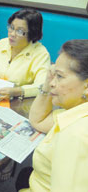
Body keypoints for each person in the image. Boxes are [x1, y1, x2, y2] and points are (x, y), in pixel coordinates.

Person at [16, 39, 88, 192]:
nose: (53, 82)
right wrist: (48, 82)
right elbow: (38, 120)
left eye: (60, 76)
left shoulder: (76, 135)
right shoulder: (76, 111)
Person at [0, 8, 51, 99]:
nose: (12, 34)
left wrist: (17, 91)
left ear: (32, 33)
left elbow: (42, 86)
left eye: (19, 31)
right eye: (11, 28)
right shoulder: (3, 43)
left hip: (21, 102)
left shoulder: (41, 54)